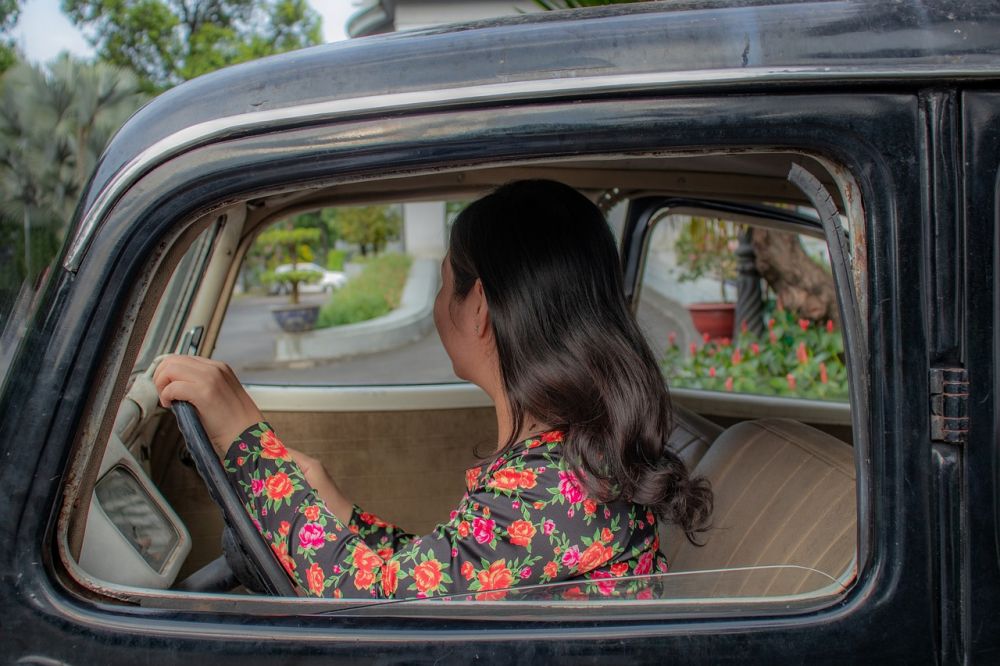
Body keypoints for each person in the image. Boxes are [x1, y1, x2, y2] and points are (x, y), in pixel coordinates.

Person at [154, 179, 712, 600]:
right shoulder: (567, 465)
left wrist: (247, 440)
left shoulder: (559, 488)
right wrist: (335, 504)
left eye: (445, 285)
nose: (437, 307)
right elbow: (436, 573)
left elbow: (375, 605)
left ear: (480, 307)